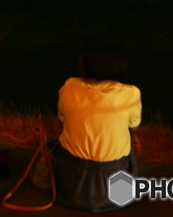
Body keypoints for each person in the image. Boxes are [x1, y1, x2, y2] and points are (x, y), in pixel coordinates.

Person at [54, 36, 141, 211]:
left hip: (72, 184)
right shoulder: (130, 93)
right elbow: (133, 126)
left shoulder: (69, 87)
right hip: (116, 187)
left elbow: (62, 118)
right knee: (130, 139)